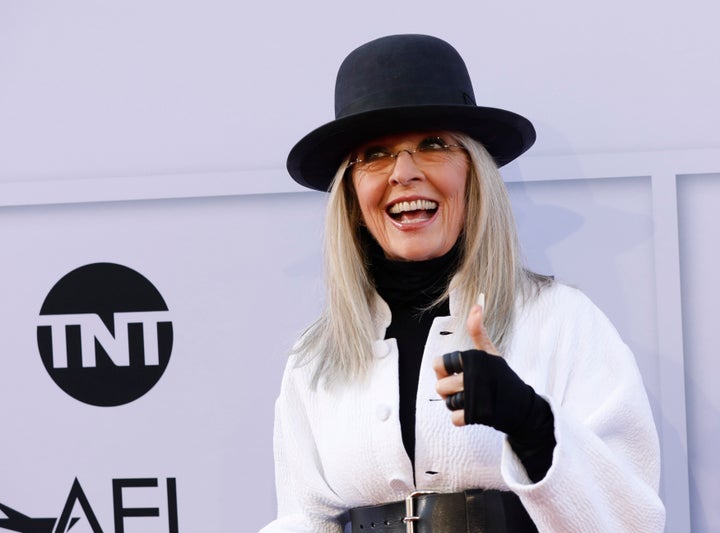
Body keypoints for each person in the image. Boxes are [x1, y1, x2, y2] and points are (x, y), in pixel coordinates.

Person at [260, 34, 665, 532]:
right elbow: (304, 519)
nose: (403, 173)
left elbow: (633, 519)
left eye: (433, 145)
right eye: (375, 155)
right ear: (351, 194)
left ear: (475, 172)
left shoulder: (562, 321)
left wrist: (532, 423)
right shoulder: (316, 354)